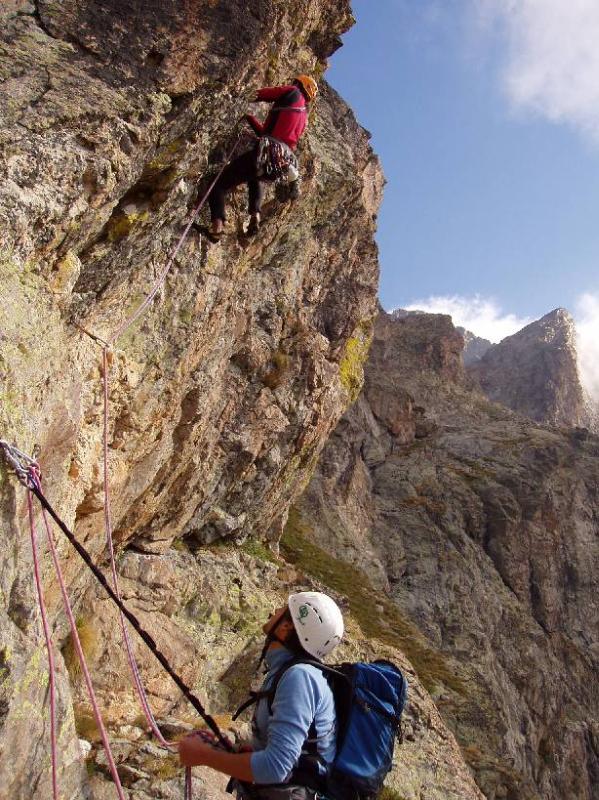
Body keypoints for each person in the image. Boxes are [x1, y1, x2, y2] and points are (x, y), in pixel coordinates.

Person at [178, 591, 344, 800]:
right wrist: (245, 751)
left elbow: (276, 767)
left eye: (283, 609)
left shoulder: (299, 677)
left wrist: (204, 755)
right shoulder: (288, 671)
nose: (275, 610)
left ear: (286, 627)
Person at [205, 75, 318, 242]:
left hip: (267, 152)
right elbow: (270, 134)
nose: (291, 83)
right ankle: (255, 215)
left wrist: (245, 94)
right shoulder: (302, 117)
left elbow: (267, 94)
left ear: (298, 84)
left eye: (294, 82)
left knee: (218, 184)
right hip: (279, 162)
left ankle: (217, 228)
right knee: (255, 177)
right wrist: (250, 119)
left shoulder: (293, 92)